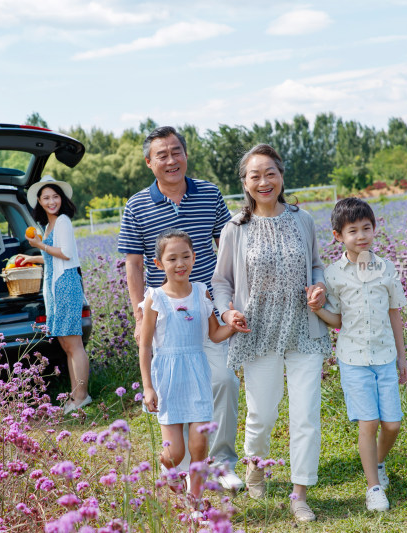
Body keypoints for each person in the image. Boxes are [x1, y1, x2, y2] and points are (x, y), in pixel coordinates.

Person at [118, 126, 243, 490]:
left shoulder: (209, 193)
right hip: (167, 315)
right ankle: (180, 467)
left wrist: (229, 300)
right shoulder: (136, 205)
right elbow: (134, 265)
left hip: (207, 307)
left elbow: (227, 245)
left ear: (186, 155)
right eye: (162, 154)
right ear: (148, 162)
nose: (171, 160)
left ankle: (221, 462)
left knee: (223, 381)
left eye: (177, 151)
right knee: (173, 389)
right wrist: (141, 315)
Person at [211, 143, 329, 523]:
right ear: (244, 183)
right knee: (262, 413)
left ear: (281, 176)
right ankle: (256, 463)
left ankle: (299, 493)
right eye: (254, 175)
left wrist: (318, 288)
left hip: (303, 330)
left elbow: (316, 266)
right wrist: (228, 311)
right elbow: (221, 281)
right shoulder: (235, 228)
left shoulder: (302, 219)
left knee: (306, 413)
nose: (264, 181)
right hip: (257, 331)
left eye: (270, 173)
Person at [309, 197, 407, 512]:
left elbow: (395, 313)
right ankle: (373, 488)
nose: (362, 235)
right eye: (353, 230)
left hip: (385, 357)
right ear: (338, 236)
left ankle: (377, 463)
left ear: (375, 229)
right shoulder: (334, 274)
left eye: (367, 228)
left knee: (391, 424)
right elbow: (338, 320)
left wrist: (402, 357)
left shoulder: (386, 268)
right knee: (369, 421)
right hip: (353, 359)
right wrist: (318, 310)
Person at [139, 229, 245, 517]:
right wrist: (148, 387)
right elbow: (145, 345)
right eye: (172, 258)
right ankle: (165, 468)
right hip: (168, 378)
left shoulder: (201, 291)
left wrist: (232, 326)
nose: (180, 263)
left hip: (198, 373)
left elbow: (214, 333)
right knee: (175, 452)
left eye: (186, 256)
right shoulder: (155, 298)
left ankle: (195, 502)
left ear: (195, 258)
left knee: (198, 447)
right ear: (159, 264)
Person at [18, 176, 91, 415]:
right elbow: (52, 255)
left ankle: (81, 396)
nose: (51, 201)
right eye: (46, 197)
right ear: (39, 201)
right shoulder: (49, 226)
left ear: (62, 199)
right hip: (55, 287)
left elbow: (66, 254)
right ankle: (74, 395)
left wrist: (39, 246)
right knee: (67, 345)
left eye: (55, 196)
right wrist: (33, 257)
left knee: (73, 344)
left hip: (66, 285)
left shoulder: (62, 222)